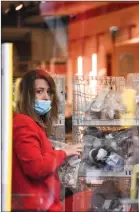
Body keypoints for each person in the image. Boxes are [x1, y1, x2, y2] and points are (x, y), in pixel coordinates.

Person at [12, 69, 82, 211]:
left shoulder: (32, 123)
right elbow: (36, 167)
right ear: (27, 96)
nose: (46, 97)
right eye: (39, 91)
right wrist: (63, 153)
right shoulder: (24, 123)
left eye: (48, 92)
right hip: (35, 205)